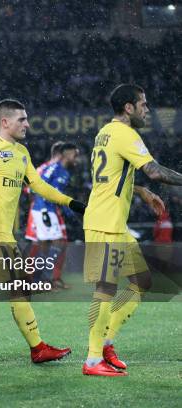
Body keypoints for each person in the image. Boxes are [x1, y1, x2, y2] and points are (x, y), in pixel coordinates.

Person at [82, 84, 181, 376]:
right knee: (105, 289)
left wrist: (140, 191)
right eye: (143, 104)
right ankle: (92, 359)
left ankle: (107, 343)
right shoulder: (126, 134)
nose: (147, 109)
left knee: (142, 281)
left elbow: (110, 176)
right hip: (104, 224)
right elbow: (155, 170)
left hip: (114, 223)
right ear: (129, 107)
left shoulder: (105, 133)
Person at [0, 99, 83, 364]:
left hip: (3, 235)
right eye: (22, 119)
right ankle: (34, 348)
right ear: (5, 122)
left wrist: (70, 202)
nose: (27, 124)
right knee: (11, 287)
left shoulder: (22, 153)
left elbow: (38, 185)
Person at [25, 141, 80, 288]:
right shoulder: (53, 168)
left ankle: (43, 279)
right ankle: (42, 279)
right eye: (75, 154)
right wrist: (40, 206)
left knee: (47, 243)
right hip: (44, 209)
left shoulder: (62, 171)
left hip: (47, 208)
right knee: (55, 242)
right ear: (66, 154)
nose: (77, 158)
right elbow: (38, 187)